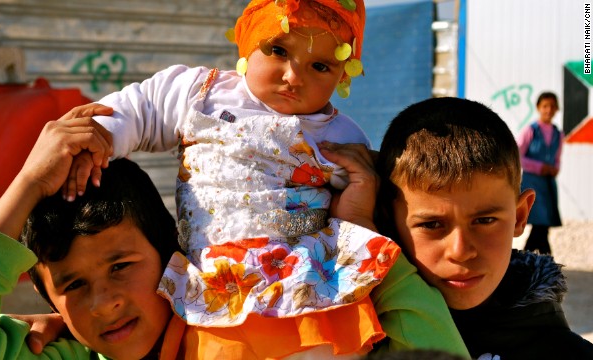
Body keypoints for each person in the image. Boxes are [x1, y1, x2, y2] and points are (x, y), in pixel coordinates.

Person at [61, 0, 471, 357]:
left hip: (310, 291)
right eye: (277, 50)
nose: (294, 76)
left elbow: (381, 193)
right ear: (247, 41)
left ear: (342, 75)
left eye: (320, 66)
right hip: (219, 285)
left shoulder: (340, 136)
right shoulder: (198, 93)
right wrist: (100, 140)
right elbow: (140, 109)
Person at [371, 97, 593, 359]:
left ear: (520, 215)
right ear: (387, 220)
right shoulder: (355, 339)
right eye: (431, 225)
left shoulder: (567, 354)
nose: (461, 251)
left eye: (485, 221)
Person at [0, 117, 187, 359]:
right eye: (74, 285)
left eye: (120, 266)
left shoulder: (223, 314)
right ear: (50, 300)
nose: (104, 305)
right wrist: (30, 182)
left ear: (171, 251)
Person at [516, 91, 564, 254]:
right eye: (545, 106)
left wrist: (555, 168)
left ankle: (528, 259)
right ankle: (546, 262)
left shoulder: (558, 134)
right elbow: (518, 155)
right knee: (540, 225)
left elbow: (557, 158)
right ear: (538, 108)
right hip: (533, 184)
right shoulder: (531, 130)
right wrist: (539, 167)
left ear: (556, 109)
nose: (548, 110)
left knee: (542, 226)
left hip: (548, 184)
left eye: (552, 106)